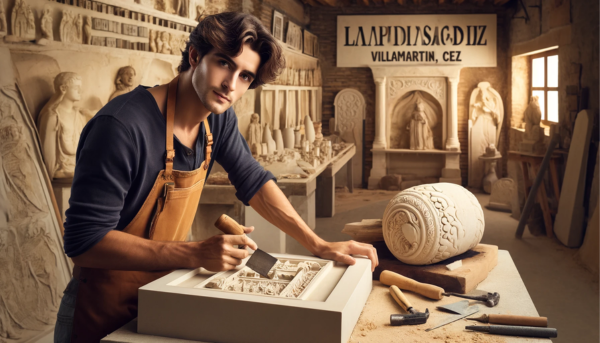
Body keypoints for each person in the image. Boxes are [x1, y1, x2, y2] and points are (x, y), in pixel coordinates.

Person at [55, 12, 378, 343]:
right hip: (100, 309)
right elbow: (85, 242)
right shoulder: (122, 127)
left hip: (162, 295)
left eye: (245, 77)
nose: (231, 85)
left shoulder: (217, 120)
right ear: (195, 56)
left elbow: (252, 179)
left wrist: (317, 243)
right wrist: (194, 253)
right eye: (224, 63)